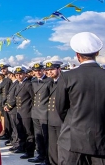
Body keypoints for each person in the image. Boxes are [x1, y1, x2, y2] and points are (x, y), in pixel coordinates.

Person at [55, 32, 105, 164]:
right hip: (101, 140)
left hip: (72, 139)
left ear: (77, 55)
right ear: (97, 53)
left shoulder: (67, 77)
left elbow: (60, 108)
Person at [43, 60, 63, 165]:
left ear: (59, 69)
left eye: (52, 69)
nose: (49, 72)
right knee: (52, 145)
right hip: (51, 118)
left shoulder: (64, 81)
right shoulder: (50, 82)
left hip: (60, 118)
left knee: (61, 145)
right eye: (48, 70)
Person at [13, 66, 35, 159]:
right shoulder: (18, 84)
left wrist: (31, 110)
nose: (19, 76)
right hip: (19, 111)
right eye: (17, 75)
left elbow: (33, 98)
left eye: (21, 74)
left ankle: (29, 152)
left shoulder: (28, 84)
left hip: (27, 111)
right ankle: (22, 147)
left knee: (28, 133)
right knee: (21, 131)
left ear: (25, 74)